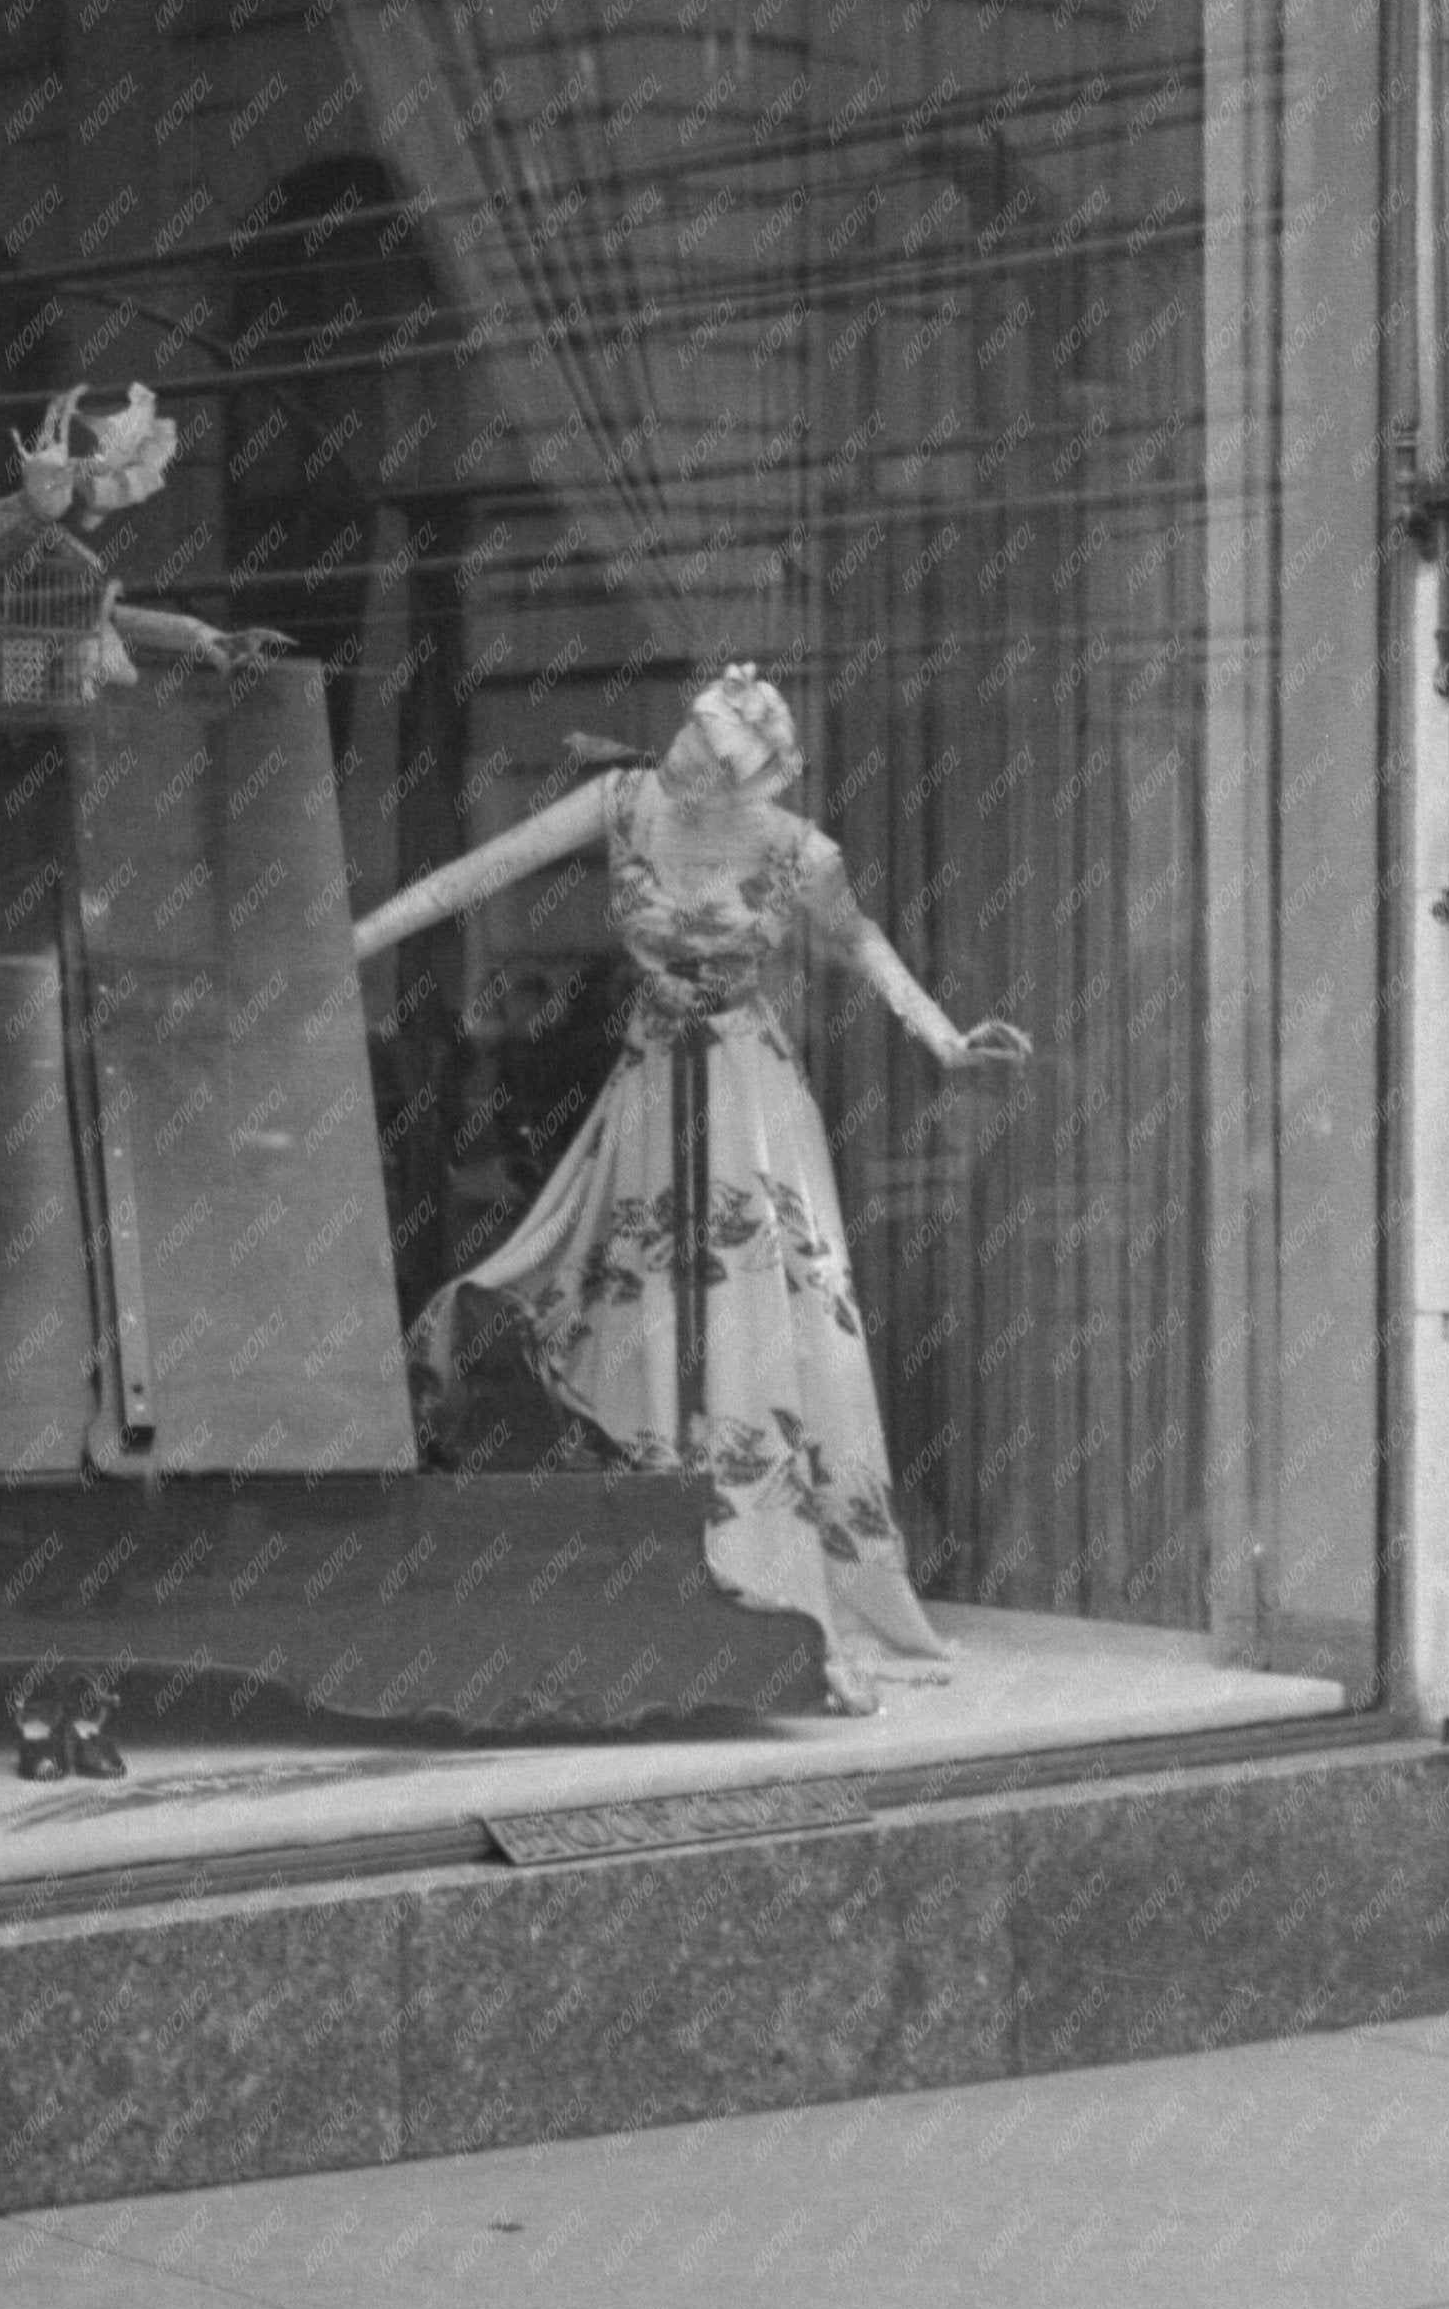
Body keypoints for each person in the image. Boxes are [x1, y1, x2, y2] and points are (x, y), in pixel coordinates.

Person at [356, 667, 1030, 1715]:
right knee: (634, 1308)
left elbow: (862, 946)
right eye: (686, 736)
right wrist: (345, 946)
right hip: (650, 1090)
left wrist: (942, 1035)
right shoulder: (623, 802)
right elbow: (474, 876)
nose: (683, 757)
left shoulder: (796, 850)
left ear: (743, 780)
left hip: (747, 1100)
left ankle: (765, 1576)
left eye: (709, 757)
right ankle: (661, 1562)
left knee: (760, 1318)